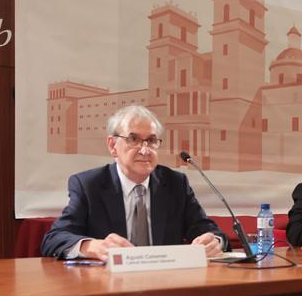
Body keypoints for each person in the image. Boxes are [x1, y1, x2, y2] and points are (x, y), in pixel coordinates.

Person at [41, 105, 226, 260]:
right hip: (108, 288)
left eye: (151, 141)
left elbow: (209, 231)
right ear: (113, 146)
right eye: (134, 139)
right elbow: (54, 239)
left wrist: (214, 242)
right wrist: (94, 247)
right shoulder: (89, 185)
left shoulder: (175, 184)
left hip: (166, 285)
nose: (145, 150)